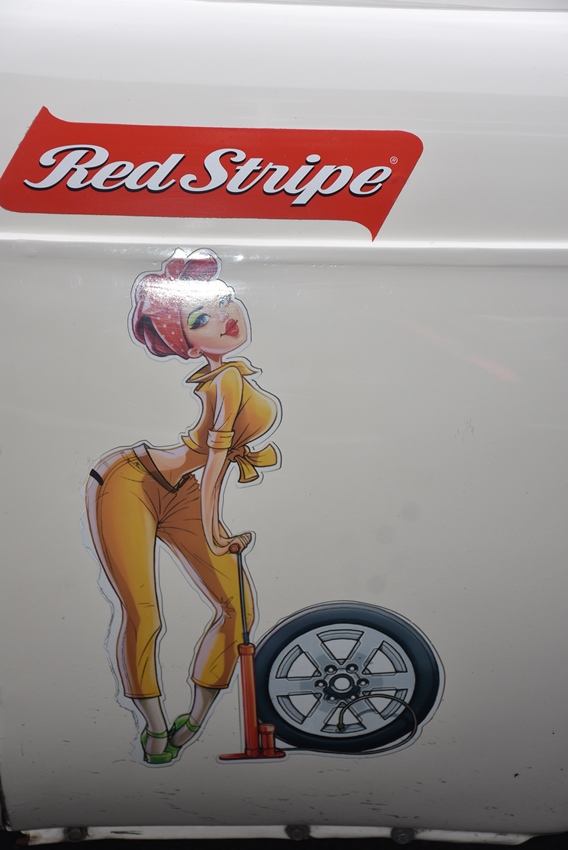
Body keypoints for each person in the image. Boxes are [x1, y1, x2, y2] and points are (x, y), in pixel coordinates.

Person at [85, 248, 281, 765]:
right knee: (143, 611)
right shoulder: (227, 380)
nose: (224, 315)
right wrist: (215, 531)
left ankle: (192, 721)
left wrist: (213, 528)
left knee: (237, 606)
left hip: (180, 488)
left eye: (223, 301)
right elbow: (214, 466)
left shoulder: (233, 375)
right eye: (201, 318)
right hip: (129, 481)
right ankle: (153, 726)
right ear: (189, 346)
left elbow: (215, 466)